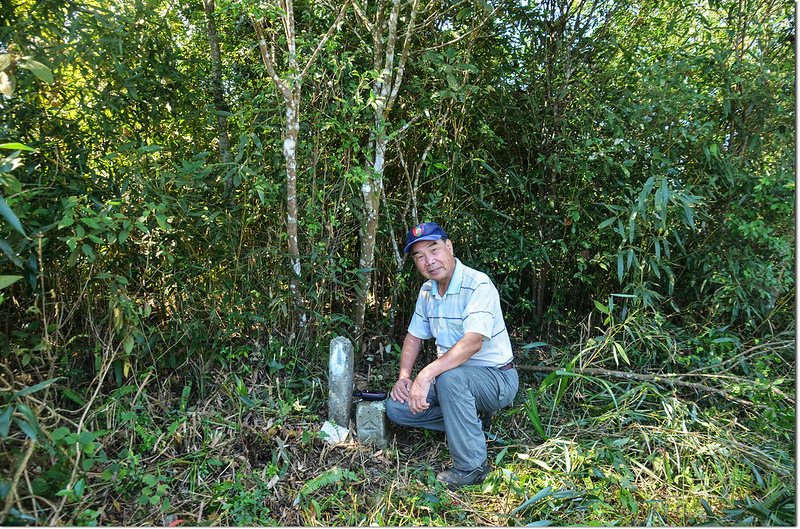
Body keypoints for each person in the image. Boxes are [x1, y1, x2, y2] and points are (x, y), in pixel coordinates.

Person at [385, 221, 519, 489]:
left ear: (449, 246)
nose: (429, 261)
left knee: (449, 379)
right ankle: (471, 422)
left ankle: (471, 467)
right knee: (397, 407)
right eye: (419, 256)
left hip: (496, 380)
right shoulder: (427, 292)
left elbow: (472, 343)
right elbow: (413, 337)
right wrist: (405, 377)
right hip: (453, 380)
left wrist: (426, 375)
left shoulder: (477, 284)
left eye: (433, 250)